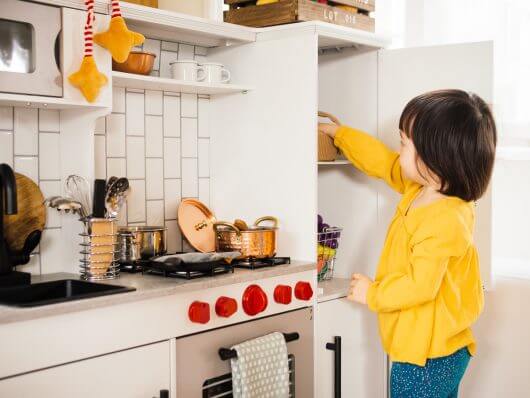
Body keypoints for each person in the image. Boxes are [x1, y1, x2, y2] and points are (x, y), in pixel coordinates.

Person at [319, 89, 497, 397]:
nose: (398, 150)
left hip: (427, 358)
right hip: (435, 350)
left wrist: (372, 293)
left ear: (434, 158)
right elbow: (382, 162)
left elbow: (420, 286)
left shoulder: (444, 218)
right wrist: (340, 134)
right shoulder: (423, 189)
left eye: (404, 143)